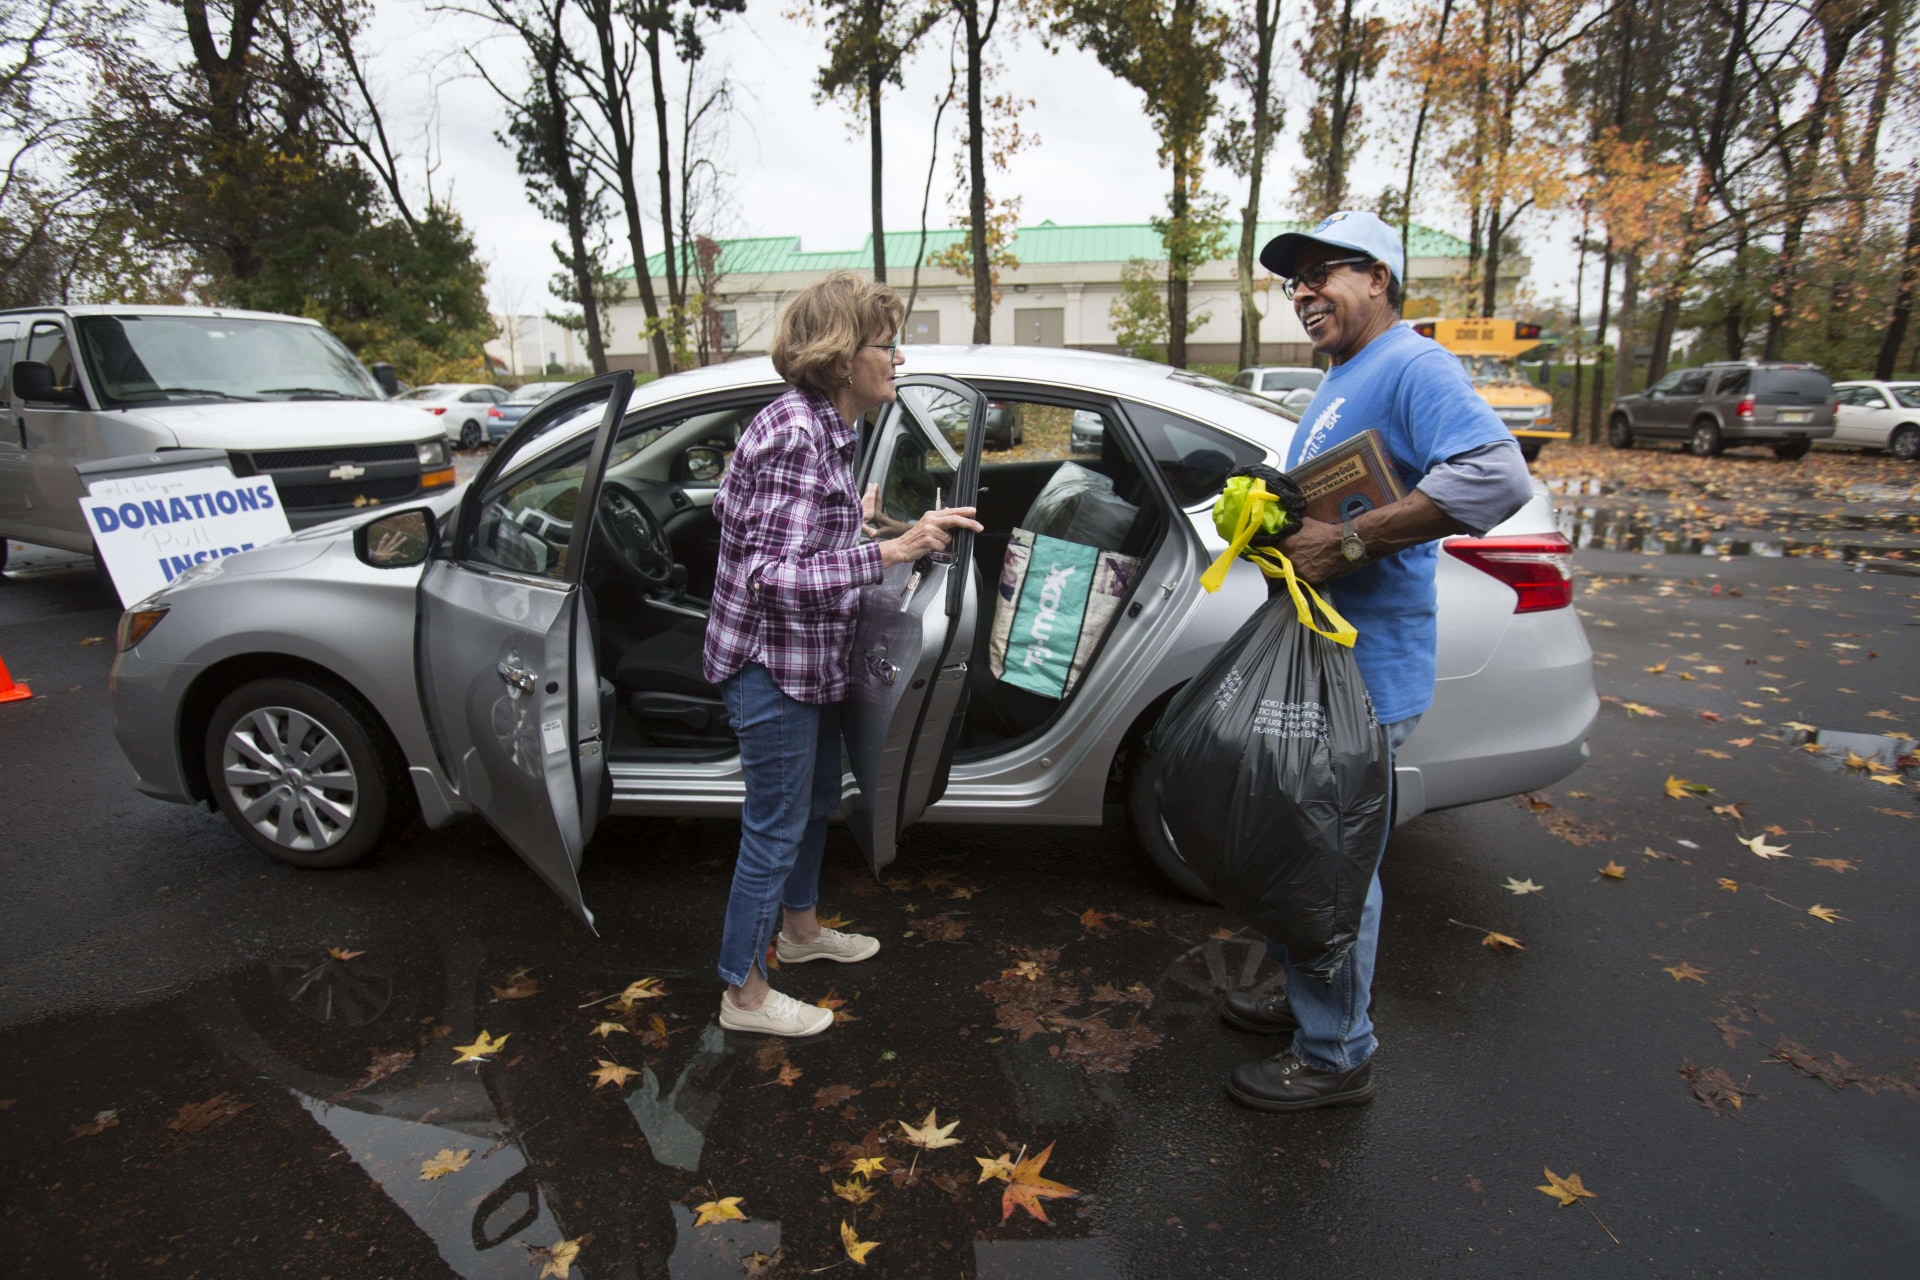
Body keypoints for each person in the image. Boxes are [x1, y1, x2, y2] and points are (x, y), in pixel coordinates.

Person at [1223, 210, 1534, 1110]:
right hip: (1324, 663)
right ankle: (1305, 999)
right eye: (1294, 281)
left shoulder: (1412, 364)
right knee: (1302, 855)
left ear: (1379, 278)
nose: (1305, 293)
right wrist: (1273, 524)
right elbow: (1334, 509)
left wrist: (1349, 545)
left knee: (1333, 870)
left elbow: (1495, 475)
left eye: (1324, 274)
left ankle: (1336, 1055)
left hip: (1367, 674)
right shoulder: (1344, 377)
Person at [702, 270, 982, 1038]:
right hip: (774, 666)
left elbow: (748, 518)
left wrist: (850, 527)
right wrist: (889, 552)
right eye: (886, 345)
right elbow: (771, 576)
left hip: (804, 659)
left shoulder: (824, 425)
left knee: (815, 801)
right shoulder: (799, 434)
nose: (898, 360)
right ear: (839, 355)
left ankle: (799, 934)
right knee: (775, 824)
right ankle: (745, 995)